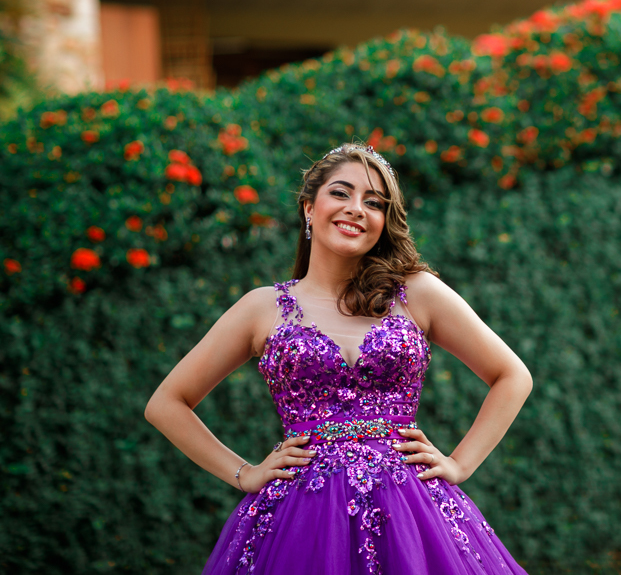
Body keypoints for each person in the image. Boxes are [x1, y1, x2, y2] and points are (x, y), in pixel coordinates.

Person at [145, 142, 533, 574]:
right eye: (341, 193)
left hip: (413, 515)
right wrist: (243, 473)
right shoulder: (262, 308)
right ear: (309, 207)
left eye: (374, 202)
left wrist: (459, 463)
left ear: (384, 222)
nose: (356, 209)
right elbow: (166, 403)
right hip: (299, 520)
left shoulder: (417, 293)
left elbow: (512, 375)